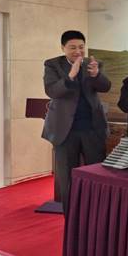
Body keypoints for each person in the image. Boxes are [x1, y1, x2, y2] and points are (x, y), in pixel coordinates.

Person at [42, 30, 111, 215]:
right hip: (65, 131)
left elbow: (105, 87)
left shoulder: (93, 64)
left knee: (96, 174)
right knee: (67, 177)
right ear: (63, 48)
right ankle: (71, 217)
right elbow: (51, 91)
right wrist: (70, 76)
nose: (78, 51)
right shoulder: (52, 65)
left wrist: (96, 75)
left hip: (92, 129)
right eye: (72, 47)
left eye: (81, 47)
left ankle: (96, 215)